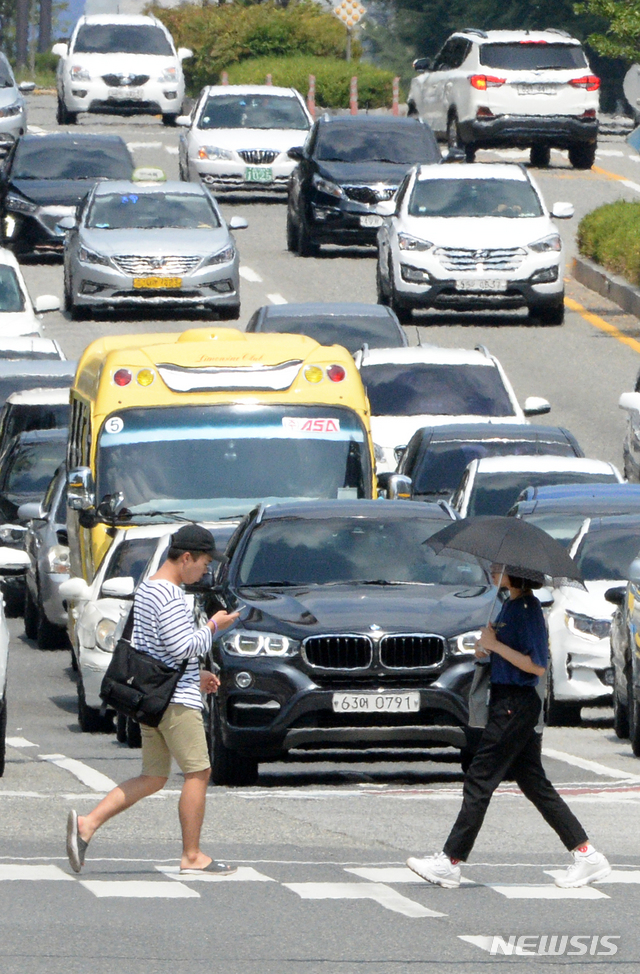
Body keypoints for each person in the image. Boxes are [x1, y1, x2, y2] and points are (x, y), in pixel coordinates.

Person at [406, 565, 611, 890]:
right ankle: (587, 855)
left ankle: (450, 861)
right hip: (508, 700)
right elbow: (503, 654)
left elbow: (537, 665)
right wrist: (486, 646)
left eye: (499, 567)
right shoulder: (510, 606)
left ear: (516, 572)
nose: (492, 569)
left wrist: (498, 646)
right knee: (533, 782)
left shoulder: (527, 609)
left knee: (480, 777)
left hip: (516, 703)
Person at [66, 524, 239, 876]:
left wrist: (197, 674)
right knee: (198, 773)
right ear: (186, 558)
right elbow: (180, 647)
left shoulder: (147, 589)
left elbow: (155, 649)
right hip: (175, 702)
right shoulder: (171, 594)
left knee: (153, 776)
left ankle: (87, 824)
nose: (206, 570)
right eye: (204, 562)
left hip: (154, 697)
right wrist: (213, 627)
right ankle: (192, 856)